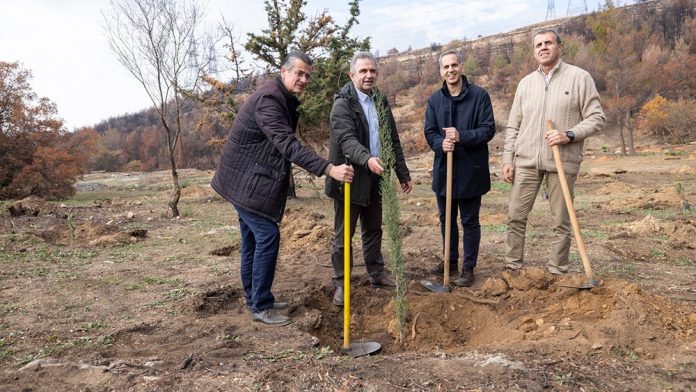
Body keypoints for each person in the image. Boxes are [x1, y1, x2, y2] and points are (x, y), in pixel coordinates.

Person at [211, 51, 354, 326]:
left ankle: (255, 297)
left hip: (244, 178)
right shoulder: (269, 99)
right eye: (298, 73)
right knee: (267, 236)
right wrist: (329, 169)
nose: (303, 79)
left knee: (252, 240)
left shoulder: (281, 98)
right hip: (244, 181)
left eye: (307, 75)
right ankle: (261, 306)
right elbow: (287, 144)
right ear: (284, 71)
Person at [502, 28, 605, 274]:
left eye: (548, 43)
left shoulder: (579, 78)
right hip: (526, 161)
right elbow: (514, 125)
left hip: (563, 160)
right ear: (534, 50)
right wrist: (508, 158)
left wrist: (569, 134)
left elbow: (597, 118)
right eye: (538, 44)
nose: (543, 47)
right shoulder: (526, 83)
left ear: (560, 47)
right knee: (515, 216)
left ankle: (557, 271)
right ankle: (512, 267)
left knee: (561, 221)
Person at [325, 51, 412, 306]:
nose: (369, 75)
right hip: (350, 178)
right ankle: (342, 283)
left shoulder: (380, 100)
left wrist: (402, 173)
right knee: (344, 235)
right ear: (352, 75)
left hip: (377, 177)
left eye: (372, 71)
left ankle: (376, 273)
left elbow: (392, 139)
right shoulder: (343, 103)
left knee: (373, 228)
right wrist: (368, 159)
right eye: (363, 71)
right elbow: (346, 140)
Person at [423, 49, 495, 287]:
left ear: (461, 67)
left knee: (470, 221)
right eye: (446, 67)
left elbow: (488, 130)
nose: (450, 70)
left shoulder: (479, 96)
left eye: (454, 65)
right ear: (441, 71)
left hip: (471, 172)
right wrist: (440, 144)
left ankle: (468, 268)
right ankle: (450, 262)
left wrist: (461, 136)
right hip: (445, 172)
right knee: (447, 220)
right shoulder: (435, 100)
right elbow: (430, 132)